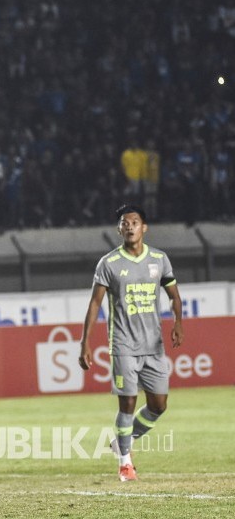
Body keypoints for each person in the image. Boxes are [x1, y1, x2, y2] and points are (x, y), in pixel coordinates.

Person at [78, 205, 184, 482]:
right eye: (124, 223)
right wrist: (84, 342)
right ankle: (125, 463)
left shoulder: (159, 259)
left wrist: (178, 322)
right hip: (123, 344)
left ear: (144, 228)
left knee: (159, 405)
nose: (129, 226)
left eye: (134, 222)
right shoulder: (109, 263)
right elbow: (95, 303)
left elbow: (174, 295)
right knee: (127, 403)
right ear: (119, 229)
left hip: (154, 345)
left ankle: (123, 441)